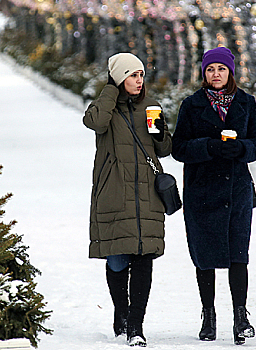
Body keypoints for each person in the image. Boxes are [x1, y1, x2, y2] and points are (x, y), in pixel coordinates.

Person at [171, 47, 256, 345]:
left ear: (230, 72)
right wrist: (208, 147)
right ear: (204, 73)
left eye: (221, 69)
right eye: (210, 69)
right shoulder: (192, 105)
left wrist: (242, 149)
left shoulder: (246, 103)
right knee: (205, 257)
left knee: (239, 255)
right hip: (202, 193)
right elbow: (179, 148)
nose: (216, 74)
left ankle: (241, 317)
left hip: (236, 192)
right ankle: (208, 315)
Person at [83, 53, 172, 347]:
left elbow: (164, 149)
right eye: (132, 75)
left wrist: (158, 131)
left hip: (147, 192)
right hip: (115, 191)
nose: (139, 81)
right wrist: (110, 90)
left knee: (144, 257)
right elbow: (94, 122)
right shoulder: (106, 107)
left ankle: (136, 326)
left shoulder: (151, 106)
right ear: (120, 78)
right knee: (118, 259)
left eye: (141, 75)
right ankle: (121, 312)